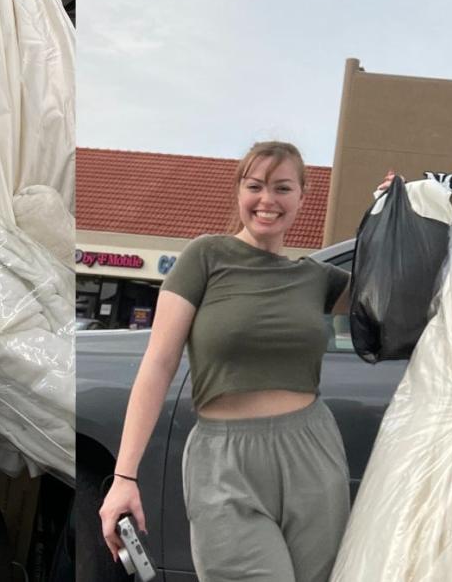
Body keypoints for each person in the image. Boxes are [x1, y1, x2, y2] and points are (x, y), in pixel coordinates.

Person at [99, 141, 353, 582]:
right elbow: (158, 364)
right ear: (239, 191)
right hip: (224, 462)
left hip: (312, 453)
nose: (267, 200)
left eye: (282, 187)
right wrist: (124, 475)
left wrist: (392, 212)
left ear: (302, 197)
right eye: (255, 186)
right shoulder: (205, 257)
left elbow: (397, 292)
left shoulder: (318, 278)